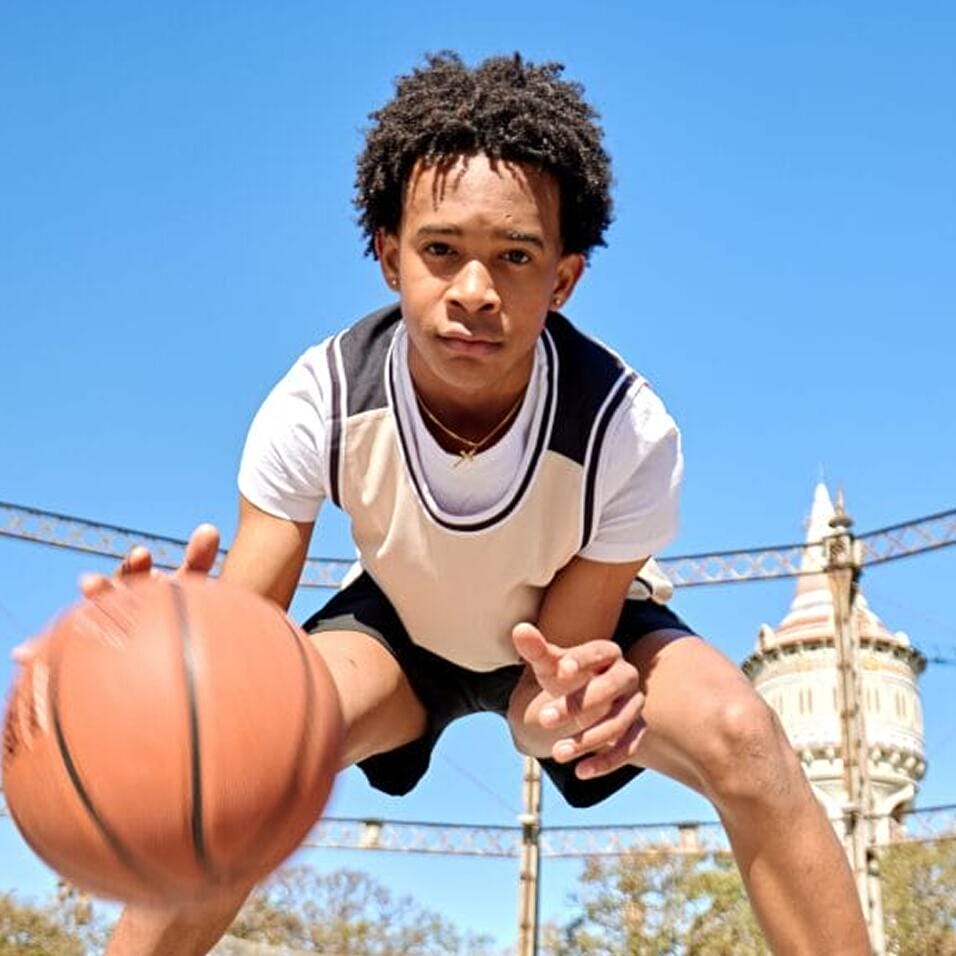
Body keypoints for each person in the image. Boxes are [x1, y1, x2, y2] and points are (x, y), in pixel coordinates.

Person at [80, 53, 869, 955]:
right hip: (402, 631)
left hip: (560, 640)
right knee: (253, 763)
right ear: (389, 256)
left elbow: (547, 697)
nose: (474, 291)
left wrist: (576, 713)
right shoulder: (320, 398)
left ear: (563, 279)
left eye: (516, 256)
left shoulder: (624, 431)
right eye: (441, 250)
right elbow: (243, 652)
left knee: (747, 737)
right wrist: (171, 662)